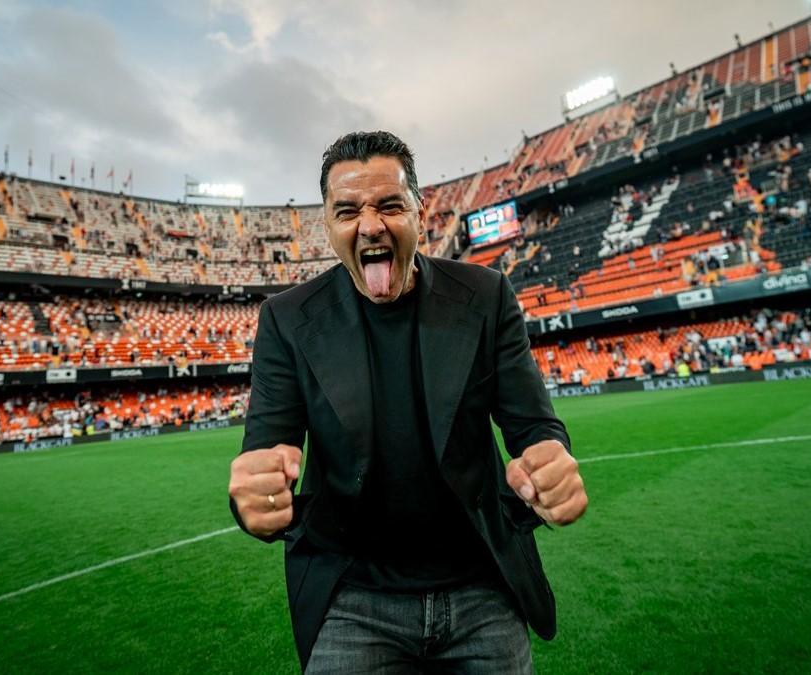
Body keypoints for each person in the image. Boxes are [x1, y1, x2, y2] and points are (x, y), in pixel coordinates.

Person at [228, 131, 586, 672]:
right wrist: (252, 498)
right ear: (326, 226)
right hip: (352, 600)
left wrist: (549, 461)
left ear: (421, 211)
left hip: (481, 589)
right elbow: (265, 453)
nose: (370, 225)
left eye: (389, 205)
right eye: (347, 211)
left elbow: (534, 425)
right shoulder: (288, 319)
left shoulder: (485, 295)